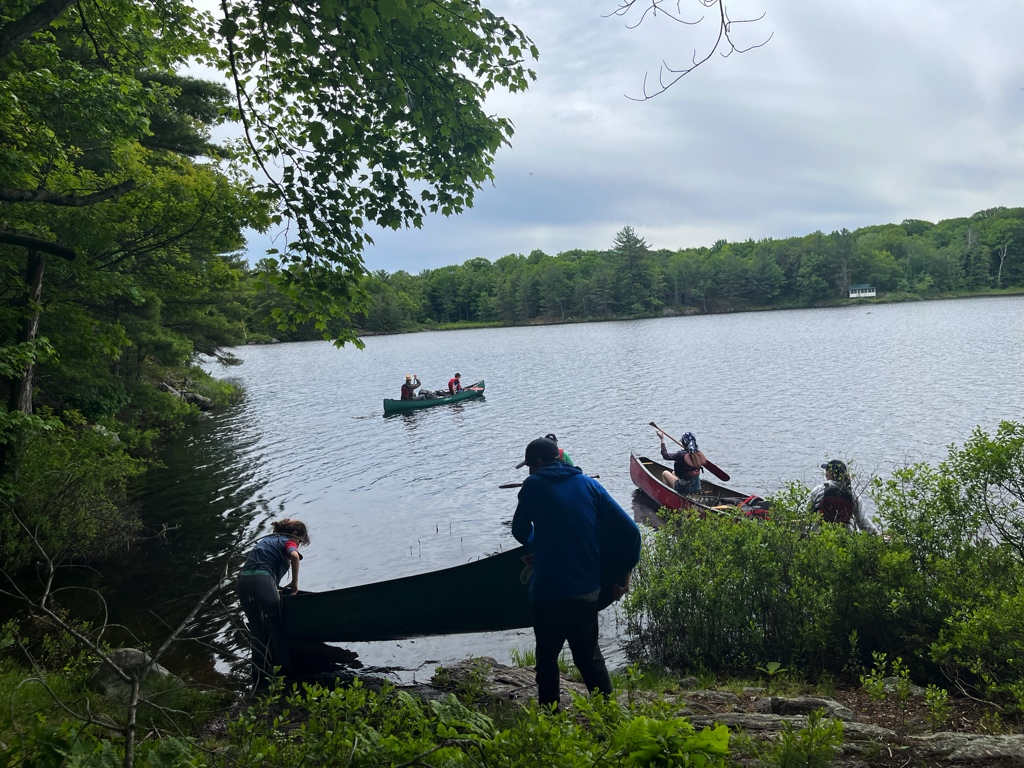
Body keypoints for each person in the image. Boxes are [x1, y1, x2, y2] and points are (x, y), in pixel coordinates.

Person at [511, 437, 641, 708]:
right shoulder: (590, 485)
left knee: (546, 659)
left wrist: (542, 542)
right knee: (588, 657)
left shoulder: (532, 485)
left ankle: (551, 721)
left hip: (547, 591)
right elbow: (630, 531)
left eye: (529, 467)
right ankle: (608, 716)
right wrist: (624, 575)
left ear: (537, 463)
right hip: (586, 590)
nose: (529, 472)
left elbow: (520, 532)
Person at [236, 518, 309, 688]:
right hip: (261, 580)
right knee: (276, 627)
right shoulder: (288, 541)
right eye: (301, 541)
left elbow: (258, 565)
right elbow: (294, 555)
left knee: (257, 630)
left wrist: (272, 588)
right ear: (296, 535)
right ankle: (286, 672)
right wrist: (295, 583)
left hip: (242, 581)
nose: (298, 544)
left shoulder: (267, 540)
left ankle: (259, 675)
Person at [809, 459, 880, 534]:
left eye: (826, 471)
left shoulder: (818, 490)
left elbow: (807, 515)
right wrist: (879, 535)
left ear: (830, 473)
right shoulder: (853, 494)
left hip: (821, 534)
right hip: (844, 536)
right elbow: (863, 522)